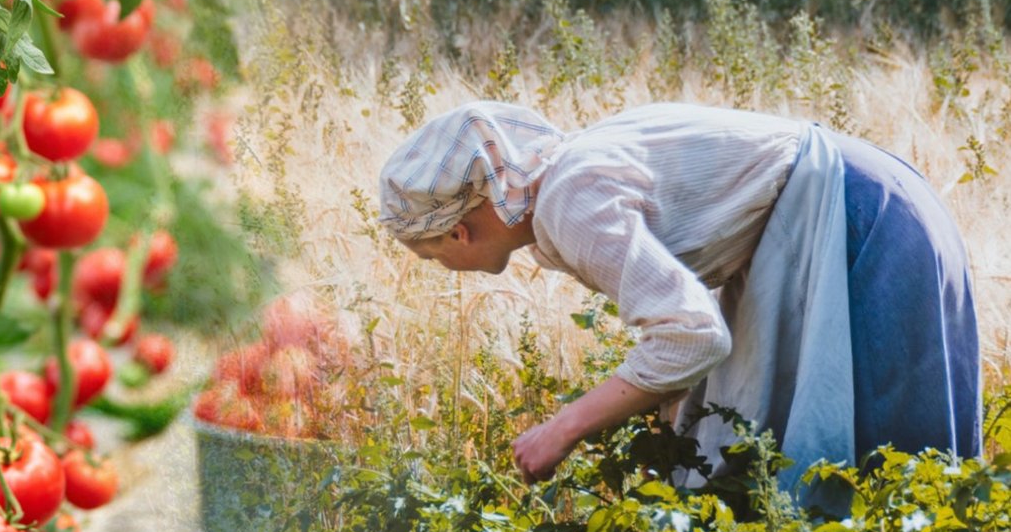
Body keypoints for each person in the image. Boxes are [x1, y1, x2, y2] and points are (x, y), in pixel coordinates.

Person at [378, 100, 981, 502]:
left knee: (890, 474)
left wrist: (561, 429)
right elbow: (687, 320)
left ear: (457, 230)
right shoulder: (569, 181)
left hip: (862, 224)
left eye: (432, 256)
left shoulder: (569, 201)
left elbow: (692, 335)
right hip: (876, 198)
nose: (446, 268)